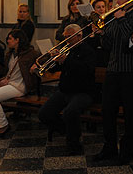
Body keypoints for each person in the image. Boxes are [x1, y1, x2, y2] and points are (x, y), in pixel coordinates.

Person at [94, 0, 133, 165]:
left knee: (130, 114)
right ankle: (109, 147)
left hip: (130, 71)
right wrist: (101, 33)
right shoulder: (114, 17)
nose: (116, 2)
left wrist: (121, 19)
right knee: (108, 111)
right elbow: (109, 45)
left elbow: (129, 39)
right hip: (112, 70)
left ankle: (127, 151)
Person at [37, 24, 96, 154]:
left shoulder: (88, 50)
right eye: (65, 37)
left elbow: (87, 71)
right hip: (65, 91)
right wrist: (52, 59)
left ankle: (74, 145)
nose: (66, 40)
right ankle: (66, 129)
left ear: (79, 36)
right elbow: (54, 69)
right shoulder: (66, 50)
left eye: (70, 37)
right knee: (43, 114)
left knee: (70, 112)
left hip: (83, 92)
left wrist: (67, 60)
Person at [0, 29, 40, 135]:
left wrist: (37, 65)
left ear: (17, 40)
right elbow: (5, 71)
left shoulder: (30, 53)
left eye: (10, 39)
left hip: (20, 86)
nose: (8, 41)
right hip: (9, 82)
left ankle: (3, 125)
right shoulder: (10, 54)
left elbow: (43, 59)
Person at [89, 0, 109, 67]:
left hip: (106, 55)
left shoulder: (109, 21)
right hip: (94, 56)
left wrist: (102, 32)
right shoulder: (89, 23)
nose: (101, 9)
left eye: (103, 7)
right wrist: (93, 35)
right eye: (98, 7)